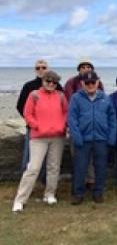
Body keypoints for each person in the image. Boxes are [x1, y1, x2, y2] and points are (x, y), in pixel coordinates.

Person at [12, 71, 68, 212]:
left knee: (53, 167)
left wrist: (62, 125)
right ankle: (20, 200)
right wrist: (36, 125)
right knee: (33, 168)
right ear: (43, 81)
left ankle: (49, 194)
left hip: (57, 137)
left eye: (54, 82)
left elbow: (66, 112)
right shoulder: (34, 95)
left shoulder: (60, 96)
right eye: (48, 81)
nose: (50, 84)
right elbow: (27, 113)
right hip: (38, 137)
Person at [68, 71, 117, 205]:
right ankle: (78, 194)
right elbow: (72, 120)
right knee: (80, 168)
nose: (90, 85)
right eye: (87, 83)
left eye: (93, 82)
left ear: (97, 82)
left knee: (100, 167)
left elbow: (112, 119)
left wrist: (111, 136)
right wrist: (77, 137)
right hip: (83, 140)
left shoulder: (105, 98)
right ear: (82, 83)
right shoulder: (76, 98)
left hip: (101, 139)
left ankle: (98, 192)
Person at [16, 59, 62, 175]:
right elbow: (20, 106)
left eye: (43, 67)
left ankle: (44, 182)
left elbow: (63, 107)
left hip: (52, 130)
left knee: (50, 160)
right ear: (35, 70)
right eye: (38, 68)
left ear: (48, 69)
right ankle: (25, 182)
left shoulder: (57, 85)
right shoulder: (29, 86)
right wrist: (33, 122)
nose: (41, 70)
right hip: (33, 129)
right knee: (29, 158)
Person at [64, 58, 104, 188]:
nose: (86, 69)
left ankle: (91, 181)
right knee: (77, 156)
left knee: (92, 156)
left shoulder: (99, 83)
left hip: (93, 127)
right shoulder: (71, 82)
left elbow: (102, 102)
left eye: (88, 67)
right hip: (76, 126)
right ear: (79, 69)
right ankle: (79, 182)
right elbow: (68, 104)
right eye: (83, 67)